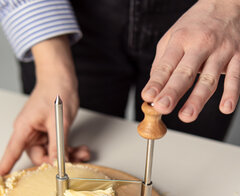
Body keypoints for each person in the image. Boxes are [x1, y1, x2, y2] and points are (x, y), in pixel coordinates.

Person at [0, 0, 239, 176]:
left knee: (184, 167)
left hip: (207, 21)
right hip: (68, 16)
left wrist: (227, 7)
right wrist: (52, 65)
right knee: (72, 151)